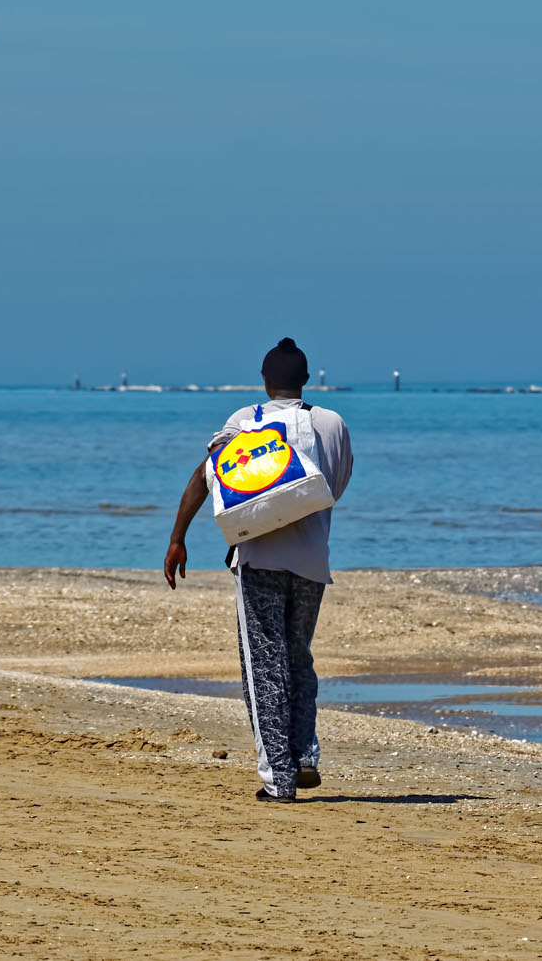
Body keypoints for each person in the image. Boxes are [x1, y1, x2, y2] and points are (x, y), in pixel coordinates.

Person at [163, 337, 353, 803]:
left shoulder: (246, 421)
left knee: (263, 665)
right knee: (298, 658)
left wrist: (177, 537)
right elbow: (336, 484)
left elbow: (208, 476)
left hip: (258, 559)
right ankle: (304, 756)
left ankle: (278, 779)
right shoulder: (331, 423)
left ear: (265, 380)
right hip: (312, 561)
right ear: (306, 379)